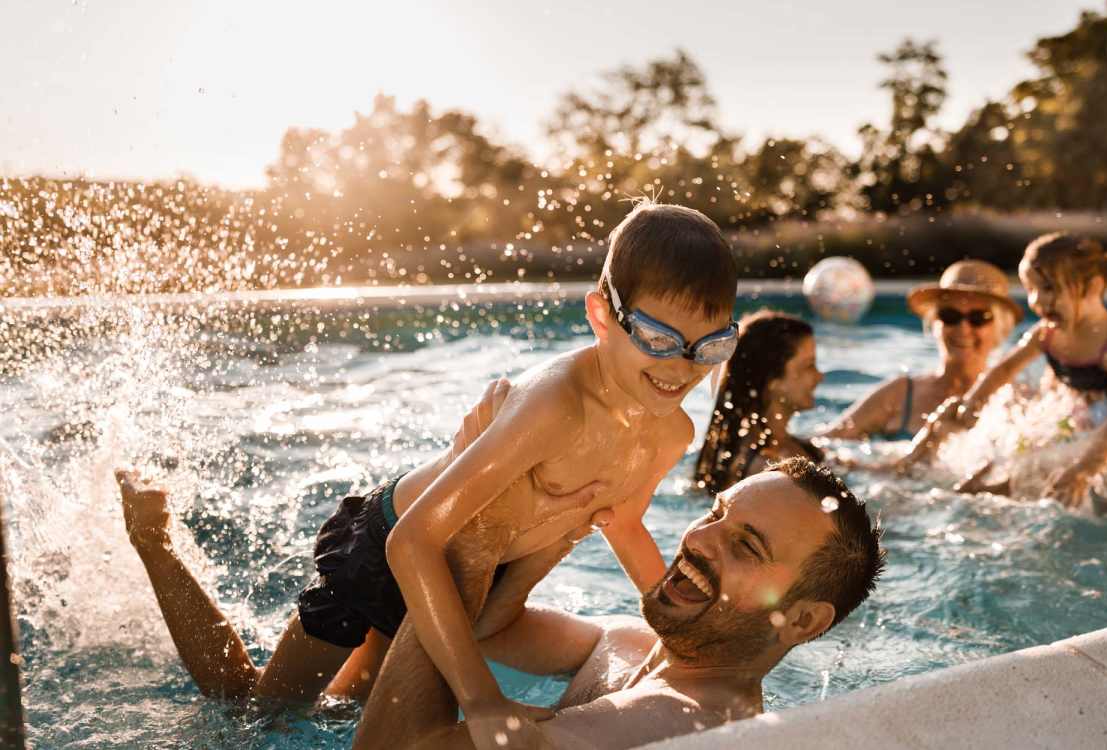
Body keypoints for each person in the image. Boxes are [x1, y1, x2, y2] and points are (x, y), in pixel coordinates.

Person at [119, 201, 741, 750]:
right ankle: (156, 544)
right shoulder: (557, 404)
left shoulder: (669, 432)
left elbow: (624, 524)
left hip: (468, 575)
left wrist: (694, 641)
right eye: (659, 339)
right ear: (602, 315)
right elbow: (410, 542)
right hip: (387, 548)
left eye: (709, 346)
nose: (680, 368)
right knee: (257, 711)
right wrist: (481, 700)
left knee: (350, 708)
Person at [382, 456, 885, 750]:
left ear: (801, 619)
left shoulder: (675, 723)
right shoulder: (628, 642)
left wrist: (462, 547)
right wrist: (563, 524)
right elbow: (487, 630)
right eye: (715, 514)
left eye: (746, 546)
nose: (700, 540)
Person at [904, 233, 1107, 506]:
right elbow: (1004, 369)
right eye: (1031, 289)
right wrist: (973, 403)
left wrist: (1084, 470)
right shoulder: (1046, 334)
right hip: (1083, 413)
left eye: (1049, 289)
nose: (1037, 301)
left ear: (1092, 287)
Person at [819, 260, 1020, 441]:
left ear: (1000, 330)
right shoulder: (899, 393)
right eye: (950, 315)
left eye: (978, 318)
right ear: (934, 323)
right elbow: (825, 443)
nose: (963, 329)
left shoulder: (1015, 400)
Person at [694, 311, 824, 494]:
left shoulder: (794, 446)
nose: (819, 376)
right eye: (809, 366)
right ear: (773, 380)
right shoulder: (761, 470)